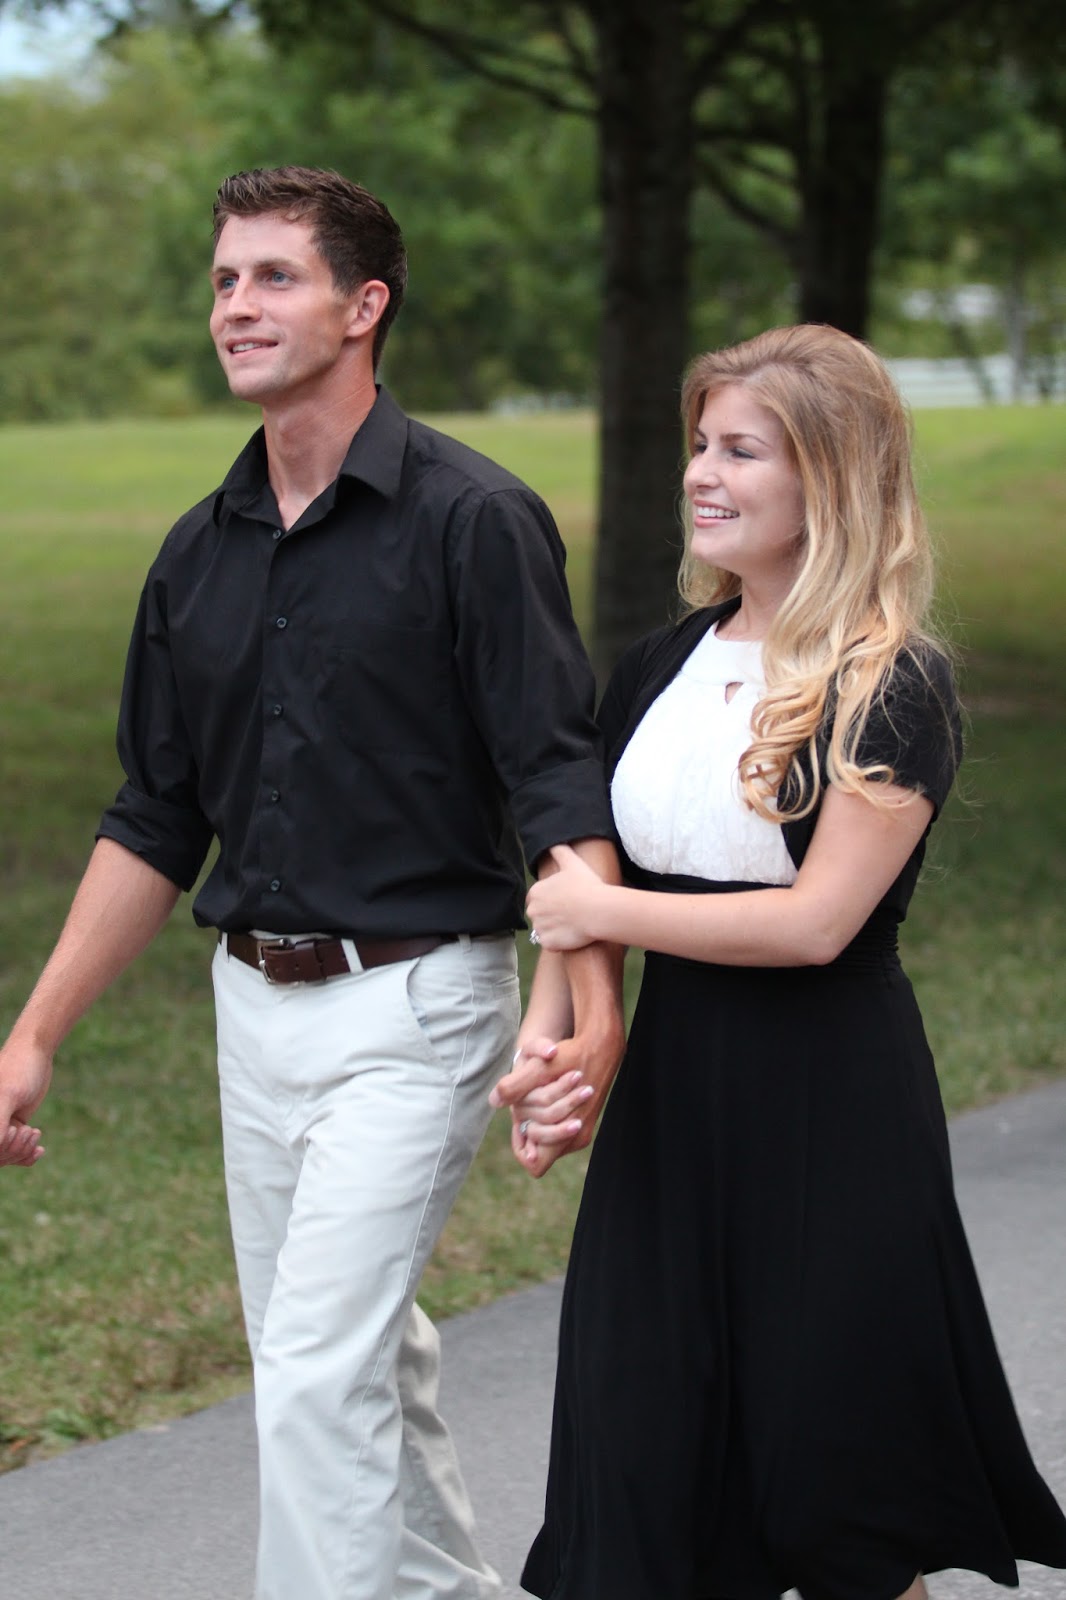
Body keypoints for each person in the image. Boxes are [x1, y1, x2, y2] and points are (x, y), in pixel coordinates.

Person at [0, 165, 624, 1600]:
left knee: (312, 1370)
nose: (237, 304)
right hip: (253, 1014)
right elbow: (155, 818)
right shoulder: (196, 554)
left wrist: (586, 1004)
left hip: (415, 1010)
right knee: (353, 1360)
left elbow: (555, 778)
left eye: (275, 276)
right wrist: (34, 1035)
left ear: (364, 305)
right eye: (225, 279)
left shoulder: (474, 519)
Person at [494, 324, 1066, 1600]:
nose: (701, 472)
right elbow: (588, 889)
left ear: (831, 478)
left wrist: (597, 910)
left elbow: (815, 923)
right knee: (643, 1456)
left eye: (741, 451)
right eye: (700, 443)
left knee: (836, 1496)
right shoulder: (658, 665)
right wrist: (558, 1034)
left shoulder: (891, 681)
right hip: (673, 1107)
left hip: (829, 1108)